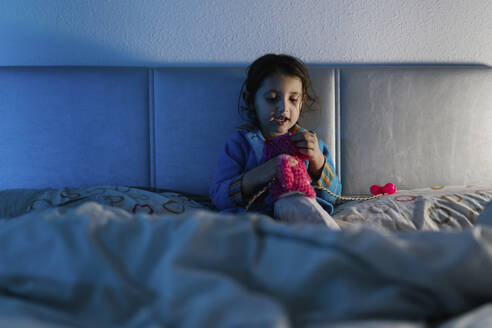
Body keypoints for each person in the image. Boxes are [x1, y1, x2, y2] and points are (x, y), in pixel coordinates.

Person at [209, 54, 341, 228]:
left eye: (293, 99)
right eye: (272, 99)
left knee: (301, 205)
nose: (284, 108)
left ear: (302, 103)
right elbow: (219, 197)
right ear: (250, 100)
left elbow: (334, 196)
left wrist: (317, 161)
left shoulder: (311, 144)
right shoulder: (240, 144)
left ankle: (331, 247)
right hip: (254, 220)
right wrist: (260, 174)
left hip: (300, 216)